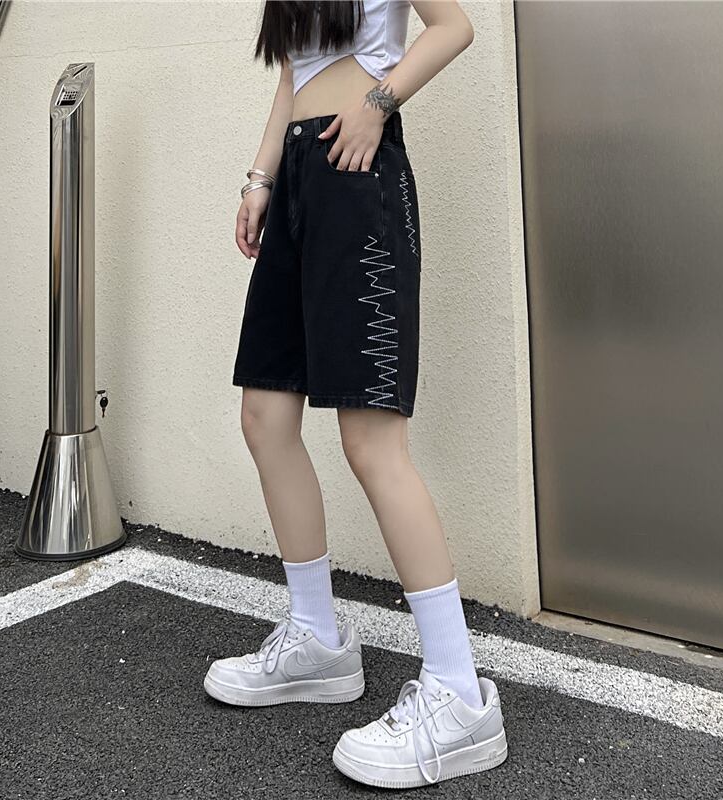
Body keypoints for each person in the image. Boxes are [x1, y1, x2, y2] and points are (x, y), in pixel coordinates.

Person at [204, 0, 508, 788]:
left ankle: (459, 693)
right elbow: (291, 78)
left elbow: (453, 26)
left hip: (356, 173)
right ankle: (316, 639)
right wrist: (261, 178)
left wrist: (379, 102)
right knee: (265, 416)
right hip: (299, 176)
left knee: (371, 438)